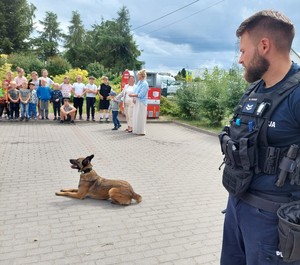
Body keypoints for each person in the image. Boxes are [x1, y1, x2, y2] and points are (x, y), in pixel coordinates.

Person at [219, 10, 300, 265]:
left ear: (264, 46)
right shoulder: (255, 90)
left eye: (243, 51)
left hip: (274, 223)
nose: (240, 60)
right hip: (236, 207)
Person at [129, 69, 149, 136]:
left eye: (138, 74)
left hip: (141, 102)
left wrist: (132, 95)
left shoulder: (145, 84)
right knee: (136, 116)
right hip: (137, 101)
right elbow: (136, 91)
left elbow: (141, 94)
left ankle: (141, 131)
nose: (137, 75)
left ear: (142, 75)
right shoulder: (139, 83)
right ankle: (136, 130)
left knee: (140, 117)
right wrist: (134, 98)